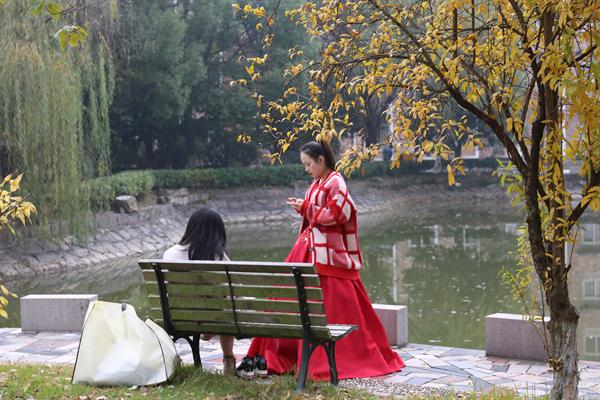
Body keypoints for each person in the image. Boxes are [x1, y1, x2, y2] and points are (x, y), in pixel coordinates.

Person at [243, 140, 405, 380]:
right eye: (304, 164)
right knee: (298, 299)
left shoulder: (336, 181)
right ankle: (294, 355)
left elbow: (338, 214)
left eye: (309, 164)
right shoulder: (320, 182)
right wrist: (304, 207)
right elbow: (323, 213)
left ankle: (306, 356)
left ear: (321, 160)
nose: (306, 169)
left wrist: (306, 207)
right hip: (313, 251)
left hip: (323, 254)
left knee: (310, 300)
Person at [162, 207, 236, 376]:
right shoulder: (219, 257)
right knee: (229, 309)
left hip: (178, 316)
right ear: (217, 232)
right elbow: (228, 292)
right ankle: (228, 360)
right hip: (212, 316)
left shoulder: (170, 254)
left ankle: (208, 331)